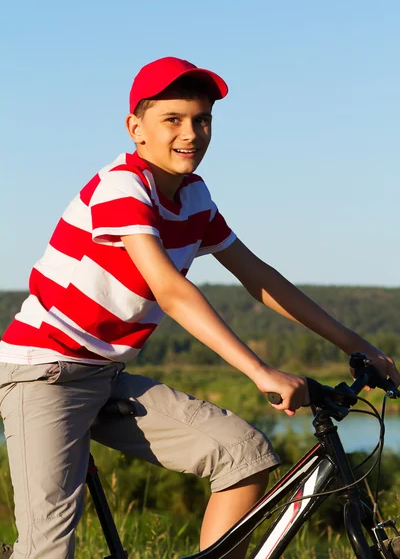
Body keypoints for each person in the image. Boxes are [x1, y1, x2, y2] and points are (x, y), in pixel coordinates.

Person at [0, 56, 399, 559]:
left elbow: (259, 278)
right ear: (135, 128)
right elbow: (168, 288)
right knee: (47, 551)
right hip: (44, 374)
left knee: (244, 456)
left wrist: (358, 345)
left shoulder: (194, 196)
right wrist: (258, 370)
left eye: (202, 120)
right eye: (173, 119)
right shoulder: (121, 185)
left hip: (105, 375)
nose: (191, 133)